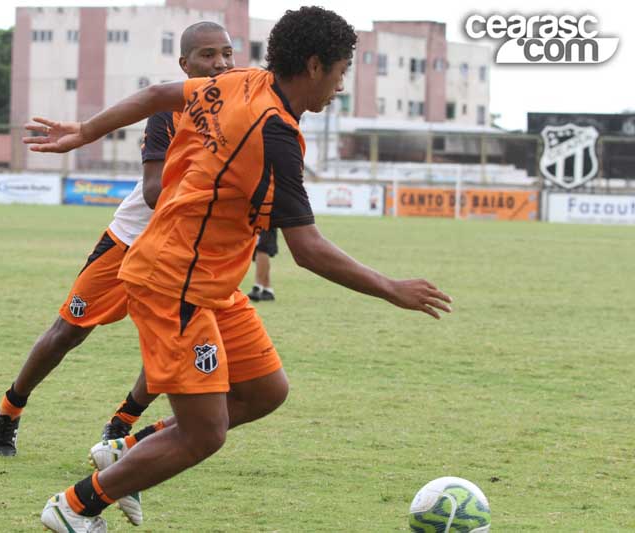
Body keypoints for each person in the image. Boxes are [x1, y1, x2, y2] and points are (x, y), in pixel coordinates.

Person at [24, 7, 452, 532]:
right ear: (315, 66)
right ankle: (74, 507)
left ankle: (125, 452)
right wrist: (391, 288)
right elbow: (308, 249)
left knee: (264, 391)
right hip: (172, 282)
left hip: (210, 283)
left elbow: (160, 93)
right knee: (204, 434)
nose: (340, 86)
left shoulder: (241, 82)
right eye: (341, 72)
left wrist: (86, 130)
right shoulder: (274, 135)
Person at [0, 20, 249, 526]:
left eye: (227, 54)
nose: (219, 64)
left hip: (187, 256)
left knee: (173, 344)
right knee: (68, 331)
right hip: (130, 242)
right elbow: (154, 191)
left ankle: (119, 430)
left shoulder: (242, 108)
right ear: (185, 66)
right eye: (208, 56)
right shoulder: (172, 111)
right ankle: (9, 412)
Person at [247, 227, 278, 301]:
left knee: (262, 249)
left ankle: (258, 287)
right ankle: (267, 290)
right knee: (260, 249)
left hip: (266, 219)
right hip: (260, 219)